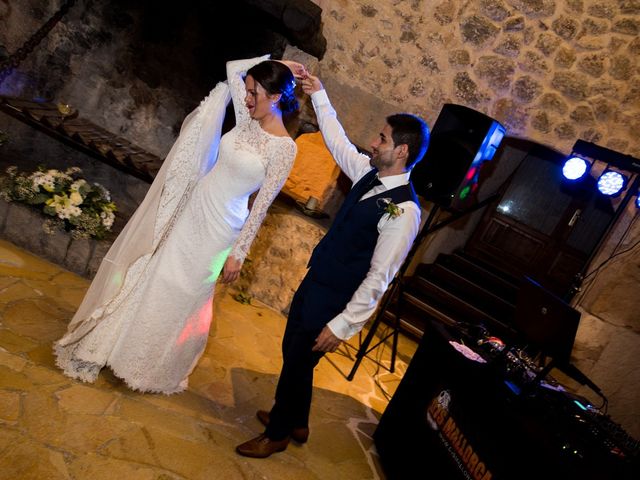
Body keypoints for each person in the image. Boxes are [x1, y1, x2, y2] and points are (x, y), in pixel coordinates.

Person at [54, 55, 308, 394]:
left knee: (184, 293)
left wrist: (239, 253)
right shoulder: (247, 121)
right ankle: (117, 350)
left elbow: (261, 206)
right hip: (192, 210)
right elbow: (233, 67)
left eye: (253, 94)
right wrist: (279, 62)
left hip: (221, 229)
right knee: (159, 276)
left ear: (275, 97)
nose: (246, 100)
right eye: (246, 92)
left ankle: (150, 366)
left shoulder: (285, 149)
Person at [236, 74, 430, 457]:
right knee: (297, 354)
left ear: (403, 151)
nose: (374, 143)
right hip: (317, 281)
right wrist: (320, 96)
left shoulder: (404, 211)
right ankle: (298, 421)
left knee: (296, 360)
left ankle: (277, 433)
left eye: (383, 139)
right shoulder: (369, 174)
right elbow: (338, 141)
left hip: (336, 300)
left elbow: (380, 277)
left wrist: (343, 325)